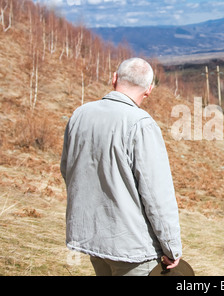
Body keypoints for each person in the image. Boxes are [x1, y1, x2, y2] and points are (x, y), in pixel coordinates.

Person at [60, 58, 182, 276]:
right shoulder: (141, 124)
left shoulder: (80, 114)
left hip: (92, 240)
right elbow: (157, 196)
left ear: (114, 79)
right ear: (149, 90)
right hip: (133, 248)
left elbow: (68, 170)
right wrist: (171, 247)